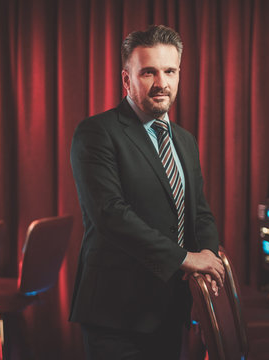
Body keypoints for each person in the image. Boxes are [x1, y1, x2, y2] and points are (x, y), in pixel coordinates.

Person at [69, 25, 225, 360]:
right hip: (116, 314)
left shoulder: (184, 140)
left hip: (169, 309)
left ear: (179, 74)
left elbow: (200, 212)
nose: (161, 83)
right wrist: (186, 259)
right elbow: (111, 215)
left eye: (169, 71)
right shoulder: (96, 132)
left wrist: (207, 261)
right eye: (149, 72)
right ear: (127, 79)